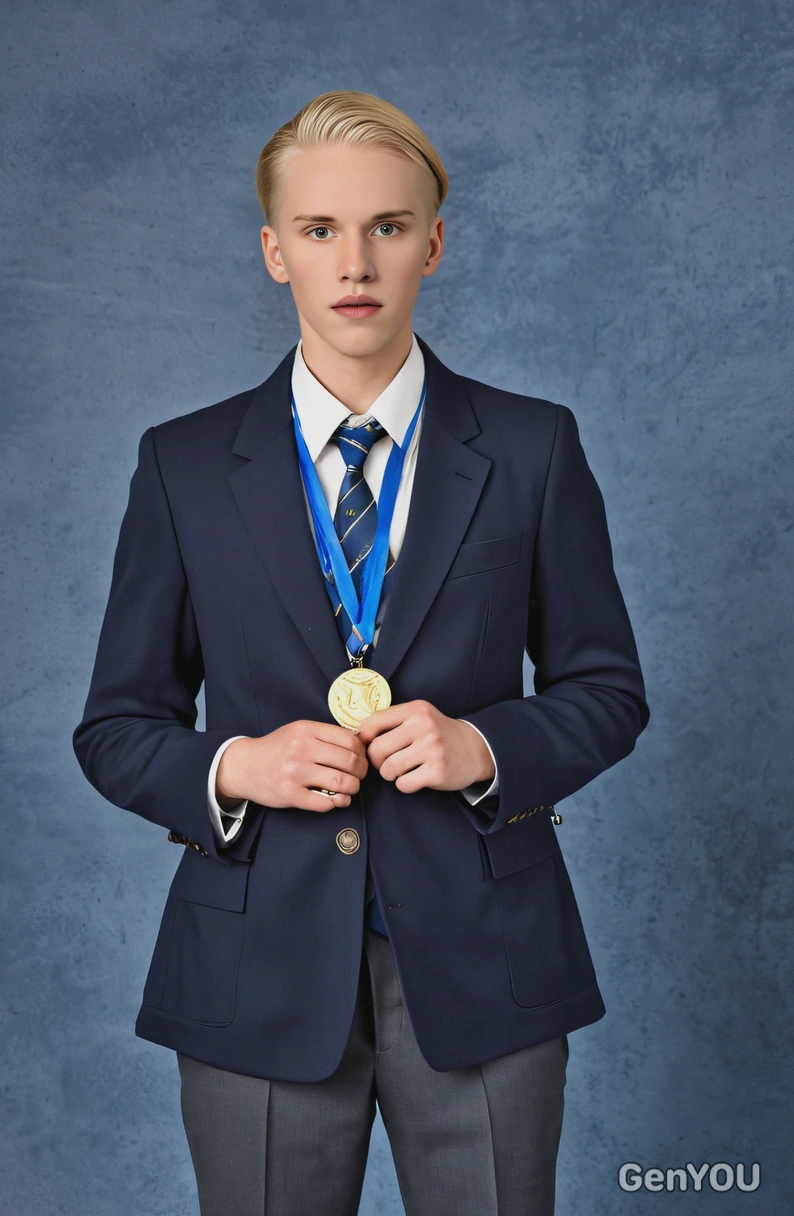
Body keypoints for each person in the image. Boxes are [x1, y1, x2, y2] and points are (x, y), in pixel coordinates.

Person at [73, 89, 650, 1216]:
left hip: (486, 958)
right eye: (320, 230)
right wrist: (236, 767)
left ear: (432, 244)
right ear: (273, 252)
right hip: (255, 969)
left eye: (388, 226)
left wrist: (484, 741)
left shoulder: (533, 447)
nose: (357, 260)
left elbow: (607, 690)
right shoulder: (182, 466)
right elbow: (115, 726)